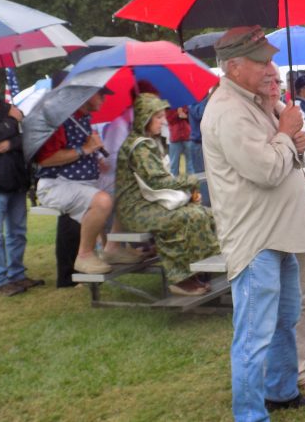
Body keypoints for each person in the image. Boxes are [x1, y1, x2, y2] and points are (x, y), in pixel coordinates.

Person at [201, 26, 305, 421]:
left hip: (278, 233)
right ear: (233, 67)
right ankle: (250, 415)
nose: (271, 68)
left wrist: (293, 141)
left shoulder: (256, 102)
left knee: (285, 320)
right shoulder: (227, 111)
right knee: (253, 336)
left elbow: (287, 161)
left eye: (270, 59)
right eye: (261, 61)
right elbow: (267, 170)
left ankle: (282, 391)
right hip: (256, 240)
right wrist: (286, 134)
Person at [114, 93, 220, 295]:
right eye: (158, 117)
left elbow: (158, 182)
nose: (163, 121)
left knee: (202, 213)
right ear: (145, 118)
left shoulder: (146, 142)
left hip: (148, 204)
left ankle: (197, 269)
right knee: (186, 217)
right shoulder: (140, 147)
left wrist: (186, 189)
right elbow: (157, 181)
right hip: (137, 210)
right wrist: (189, 181)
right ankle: (179, 278)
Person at [35, 86, 143, 275]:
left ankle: (113, 248)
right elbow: (45, 159)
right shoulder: (61, 120)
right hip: (56, 185)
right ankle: (84, 255)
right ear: (86, 95)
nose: (104, 98)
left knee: (129, 191)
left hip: (83, 183)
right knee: (102, 201)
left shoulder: (82, 118)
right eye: (100, 94)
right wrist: (85, 150)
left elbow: (82, 150)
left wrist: (95, 158)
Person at [265, 75, 305, 392]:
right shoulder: (252, 120)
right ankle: (275, 376)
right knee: (273, 304)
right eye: (267, 78)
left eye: (277, 80)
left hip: (301, 215)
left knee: (302, 299)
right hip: (269, 225)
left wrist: (300, 160)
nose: (273, 84)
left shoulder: (292, 115)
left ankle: (301, 369)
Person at [0, 70, 43, 296]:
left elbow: (29, 136)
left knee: (18, 232)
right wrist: (13, 120)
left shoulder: (9, 108)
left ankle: (17, 275)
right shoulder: (12, 114)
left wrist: (11, 143)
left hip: (16, 179)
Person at [166, 106, 193, 176]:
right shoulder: (169, 106)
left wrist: (186, 116)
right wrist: (177, 113)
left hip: (187, 136)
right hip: (175, 137)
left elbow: (191, 118)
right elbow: (169, 119)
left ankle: (191, 181)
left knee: (190, 164)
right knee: (174, 165)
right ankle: (174, 181)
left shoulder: (186, 105)